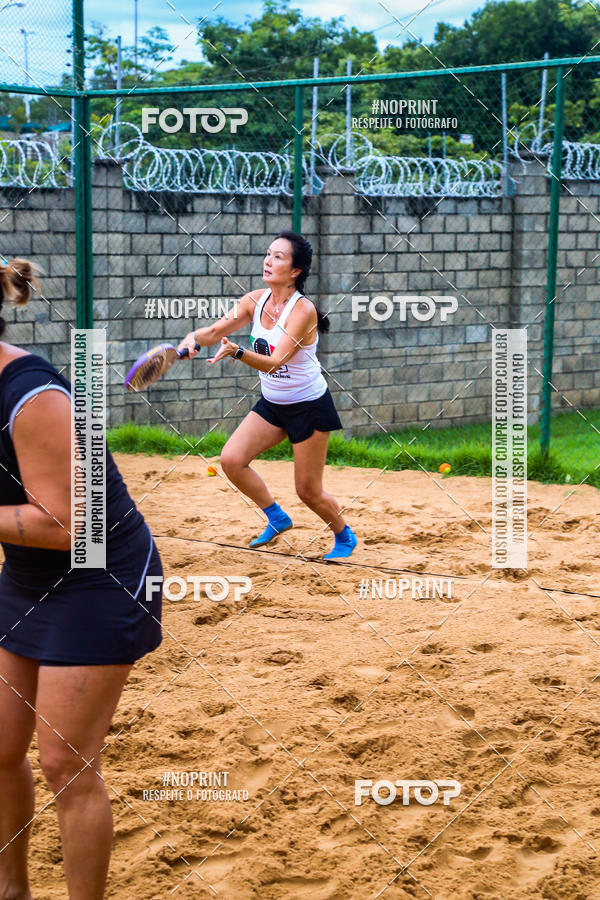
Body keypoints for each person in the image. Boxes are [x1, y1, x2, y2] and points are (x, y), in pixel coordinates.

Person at [0, 258, 163, 900]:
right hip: (29, 575)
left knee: (66, 762)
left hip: (101, 571)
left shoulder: (32, 397)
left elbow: (68, 524)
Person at [179, 230, 357, 560]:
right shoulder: (254, 300)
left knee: (307, 491)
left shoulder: (303, 311)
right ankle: (276, 517)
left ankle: (343, 534)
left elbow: (274, 362)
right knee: (231, 460)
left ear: (295, 271)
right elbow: (215, 331)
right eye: (268, 253)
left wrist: (236, 352)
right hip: (274, 404)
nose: (268, 260)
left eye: (278, 256)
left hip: (309, 407)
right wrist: (193, 338)